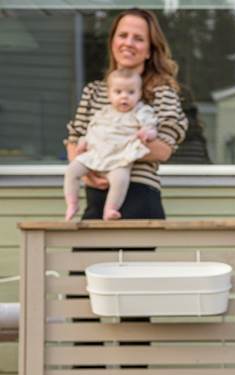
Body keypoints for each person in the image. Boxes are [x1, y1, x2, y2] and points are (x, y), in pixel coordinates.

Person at [65, 8, 187, 220]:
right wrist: (88, 174)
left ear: (149, 50)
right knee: (85, 253)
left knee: (132, 255)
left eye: (138, 38)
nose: (128, 43)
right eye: (123, 35)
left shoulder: (161, 92)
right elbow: (74, 140)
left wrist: (104, 147)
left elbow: (163, 150)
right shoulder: (93, 91)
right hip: (96, 195)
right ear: (113, 42)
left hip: (139, 196)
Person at [64, 68, 157, 221]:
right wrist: (83, 142)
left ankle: (110, 209)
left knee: (120, 180)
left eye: (131, 92)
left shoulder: (141, 111)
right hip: (95, 155)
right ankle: (72, 203)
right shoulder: (103, 112)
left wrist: (147, 134)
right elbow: (92, 131)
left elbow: (152, 128)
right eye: (118, 92)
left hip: (119, 159)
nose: (124, 97)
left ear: (139, 94)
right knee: (71, 171)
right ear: (109, 94)